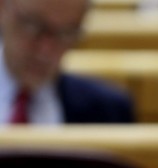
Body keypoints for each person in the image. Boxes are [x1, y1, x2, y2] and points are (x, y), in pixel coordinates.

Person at [0, 0, 134, 124]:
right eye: (33, 25)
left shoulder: (109, 111)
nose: (45, 51)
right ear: (3, 7)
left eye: (66, 33)